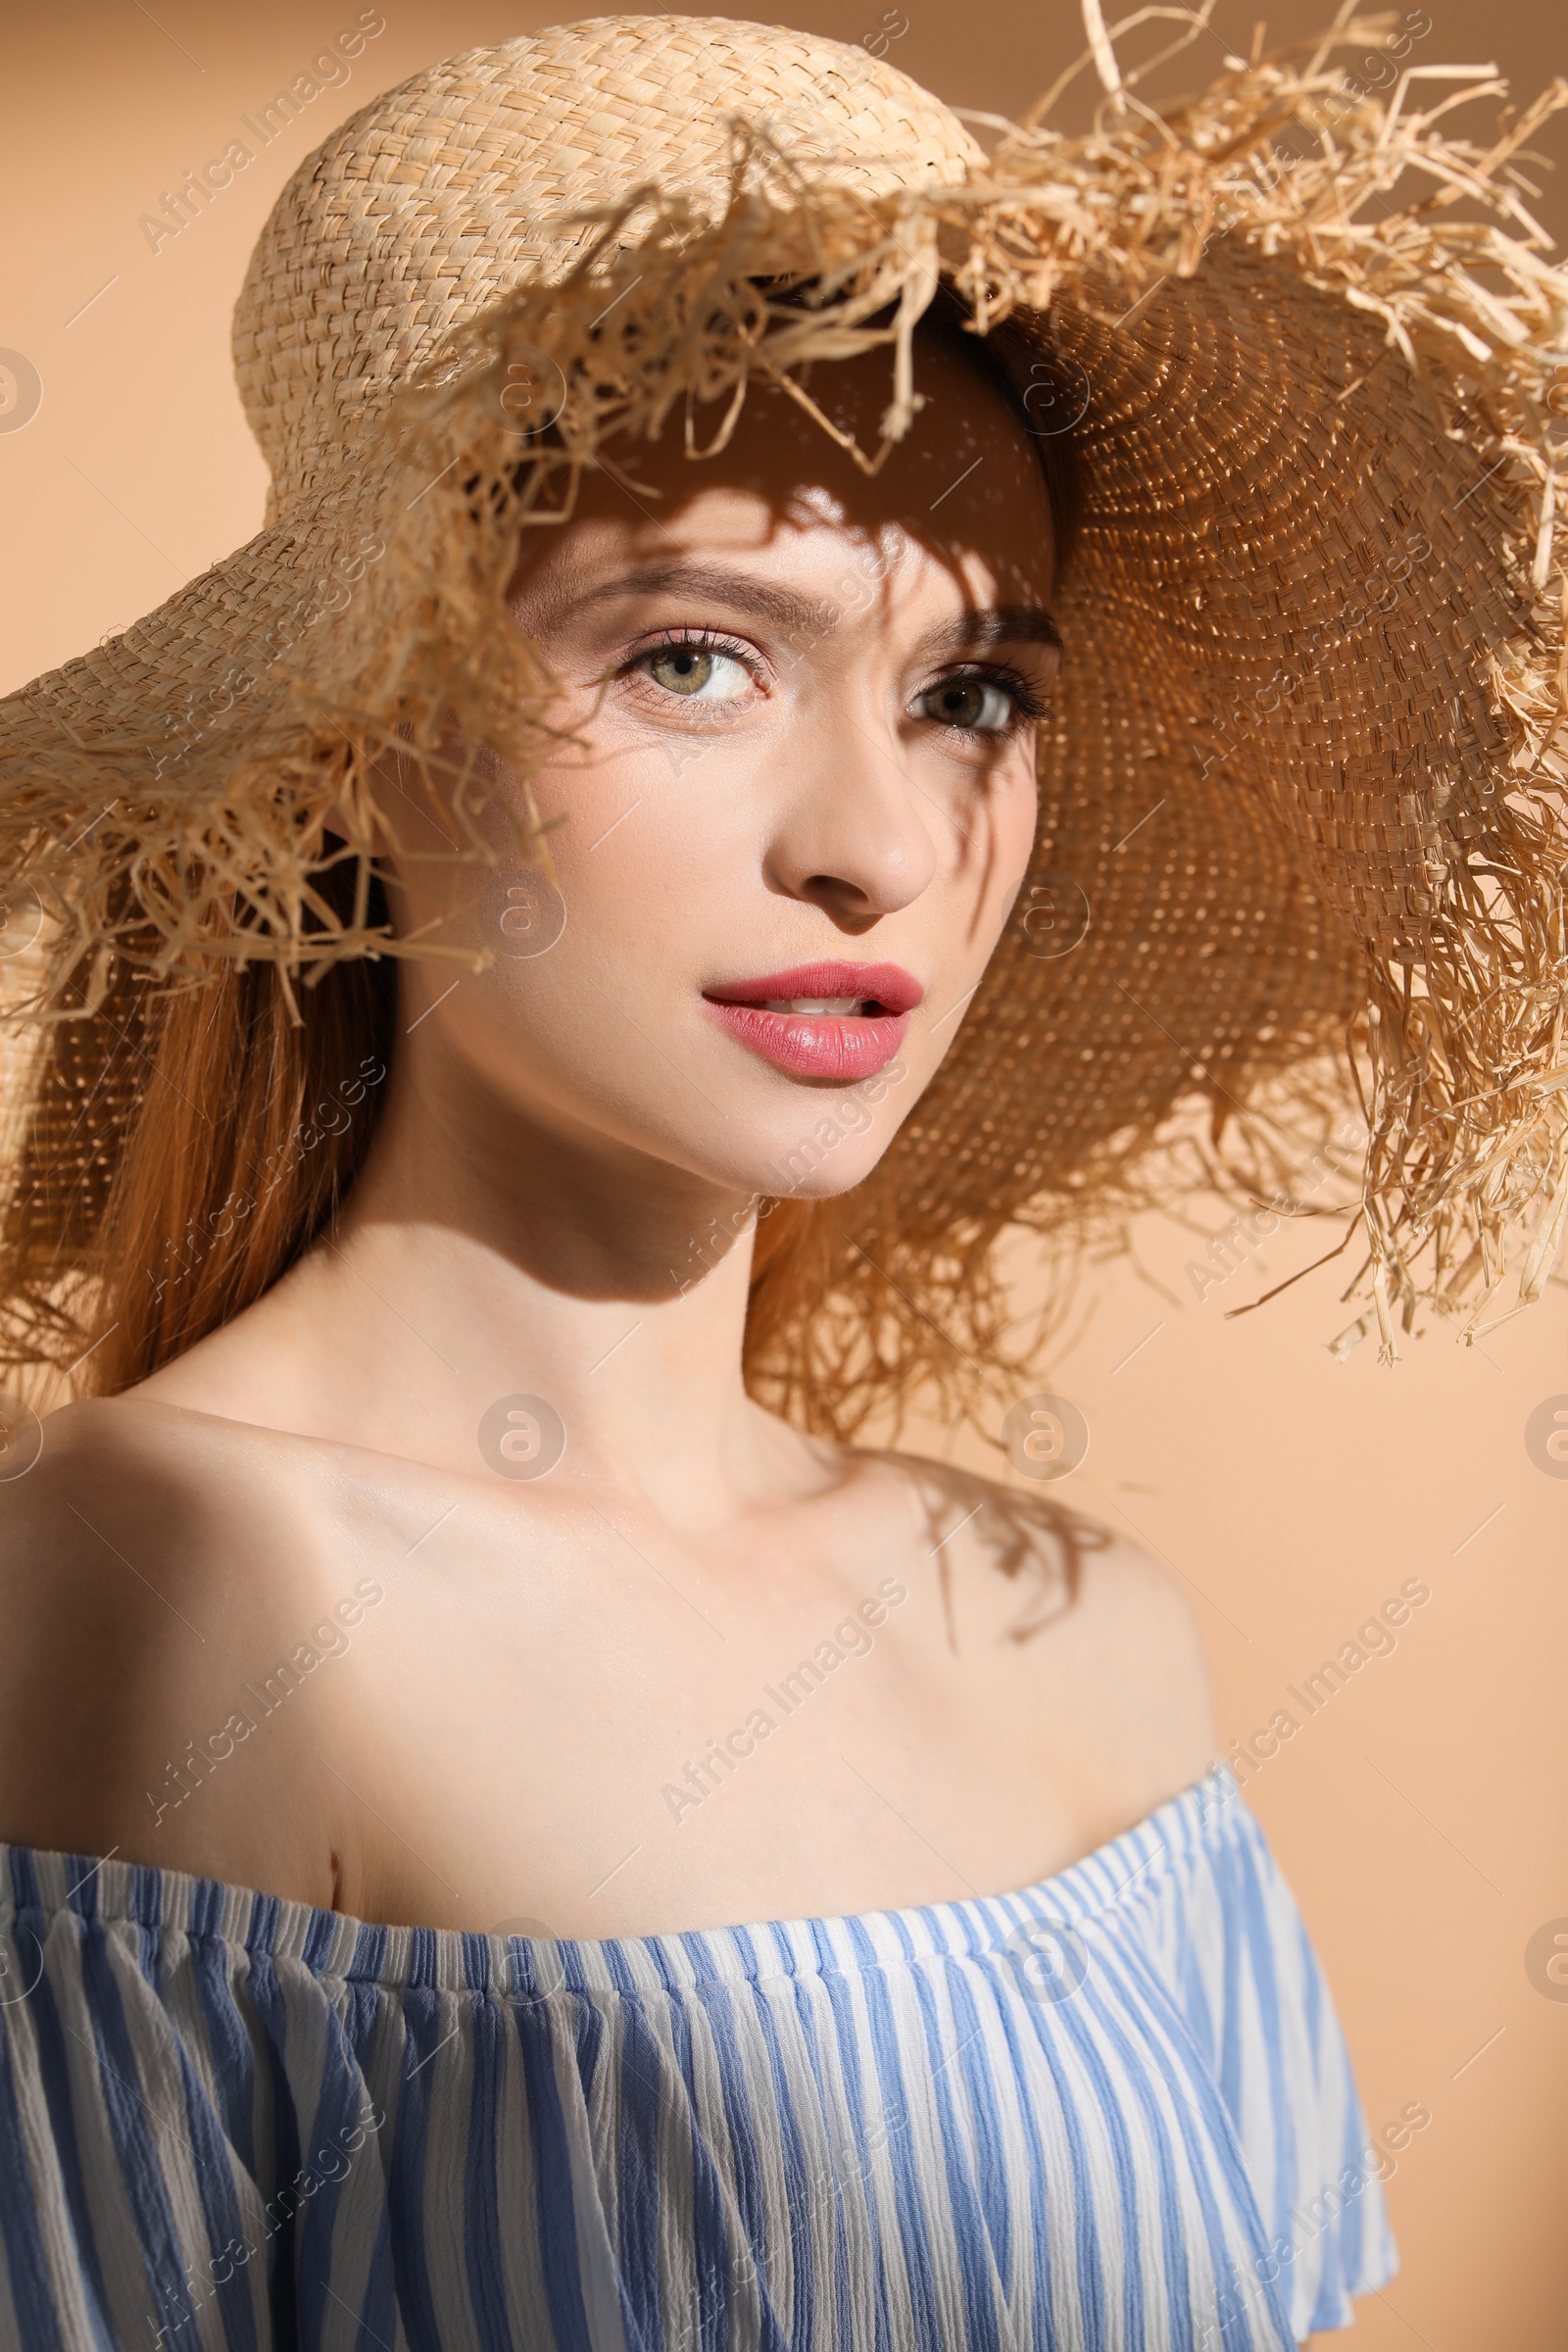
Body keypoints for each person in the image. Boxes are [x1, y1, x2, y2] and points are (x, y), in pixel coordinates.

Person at [0, 12, 1560, 2347]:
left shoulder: (1080, 1635)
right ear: (338, 748)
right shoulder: (149, 1581)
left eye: (971, 694)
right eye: (701, 657)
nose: (876, 848)